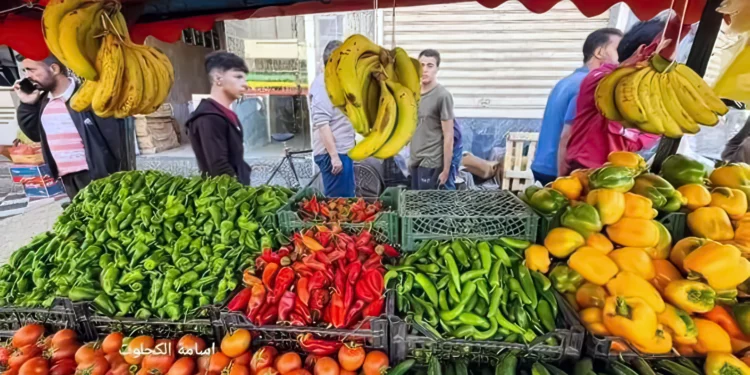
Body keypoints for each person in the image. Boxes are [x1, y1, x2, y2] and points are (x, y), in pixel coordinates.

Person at [560, 20, 667, 174]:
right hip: (584, 169)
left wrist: (637, 140)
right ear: (645, 51)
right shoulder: (602, 78)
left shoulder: (650, 89)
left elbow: (653, 131)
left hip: (620, 172)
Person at [14, 55, 126, 199]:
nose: (27, 76)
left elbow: (114, 137)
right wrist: (27, 105)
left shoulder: (86, 98)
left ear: (54, 68)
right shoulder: (42, 103)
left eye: (32, 70)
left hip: (96, 174)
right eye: (25, 71)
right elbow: (35, 134)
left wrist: (114, 171)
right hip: (67, 178)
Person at [531, 28, 623, 185]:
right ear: (600, 52)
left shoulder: (567, 81)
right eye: (619, 49)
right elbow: (568, 135)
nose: (624, 55)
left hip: (542, 165)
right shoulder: (588, 84)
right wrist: (562, 178)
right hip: (560, 170)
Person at [187, 51, 252, 185]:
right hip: (227, 198)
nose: (245, 84)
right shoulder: (209, 118)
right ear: (218, 79)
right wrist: (241, 194)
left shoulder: (226, 113)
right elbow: (219, 168)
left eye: (245, 78)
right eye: (238, 77)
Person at [310, 40, 356, 197]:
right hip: (334, 156)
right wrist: (335, 157)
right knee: (339, 204)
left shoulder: (336, 83)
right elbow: (323, 124)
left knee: (347, 200)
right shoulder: (323, 85)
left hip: (343, 152)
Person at [410, 49, 455, 190]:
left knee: (425, 207)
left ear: (437, 69)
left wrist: (446, 169)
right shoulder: (413, 94)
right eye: (421, 65)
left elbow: (449, 135)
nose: (425, 70)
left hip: (431, 161)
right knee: (414, 205)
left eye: (430, 66)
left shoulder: (443, 96)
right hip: (414, 160)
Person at [444, 120, 463, 190]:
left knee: (447, 184)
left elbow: (449, 146)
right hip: (452, 158)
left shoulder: (452, 129)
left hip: (451, 161)